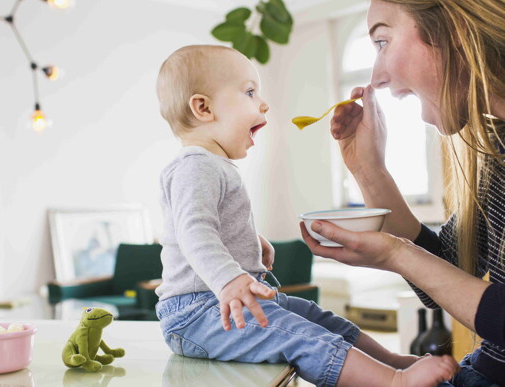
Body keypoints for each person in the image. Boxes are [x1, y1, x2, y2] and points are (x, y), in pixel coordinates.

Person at [155, 44, 458, 386]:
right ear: (203, 108)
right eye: (250, 92)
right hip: (198, 313)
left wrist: (247, 242)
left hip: (219, 302)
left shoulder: (212, 166)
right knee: (297, 334)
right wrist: (230, 279)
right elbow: (193, 232)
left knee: (316, 317)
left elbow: (208, 226)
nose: (264, 103)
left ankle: (390, 360)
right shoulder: (195, 166)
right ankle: (392, 381)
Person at [300, 1, 504, 386]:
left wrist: (397, 254)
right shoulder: (499, 152)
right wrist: (369, 170)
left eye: (381, 41)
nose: (376, 77)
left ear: (453, 29)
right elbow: (450, 271)